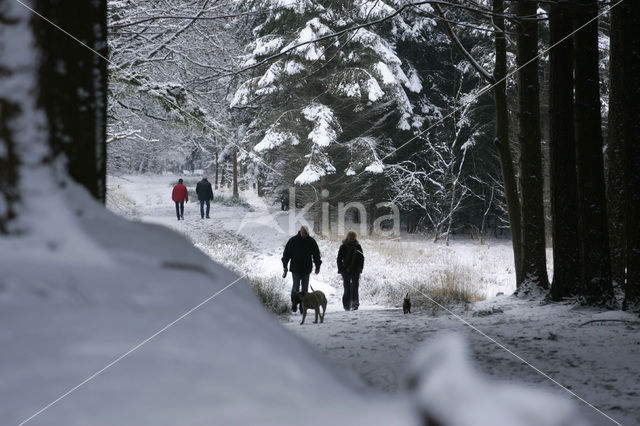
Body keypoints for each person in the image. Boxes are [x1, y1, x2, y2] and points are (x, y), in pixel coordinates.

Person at [282, 226, 322, 312]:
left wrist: (317, 266)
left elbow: (316, 255)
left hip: (306, 269)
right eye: (303, 233)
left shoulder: (311, 242)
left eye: (306, 233)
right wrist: (285, 265)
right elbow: (286, 254)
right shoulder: (293, 241)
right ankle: (294, 304)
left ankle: (303, 306)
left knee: (305, 289)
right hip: (295, 268)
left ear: (308, 233)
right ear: (300, 231)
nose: (304, 235)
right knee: (296, 287)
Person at [337, 230, 364, 311]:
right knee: (347, 288)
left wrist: (360, 268)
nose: (351, 239)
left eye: (353, 238)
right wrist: (340, 269)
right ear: (347, 238)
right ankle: (346, 305)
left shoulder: (358, 247)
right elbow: (339, 259)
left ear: (355, 238)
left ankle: (355, 304)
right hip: (345, 270)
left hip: (356, 270)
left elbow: (361, 258)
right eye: (350, 238)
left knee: (355, 287)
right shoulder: (343, 247)